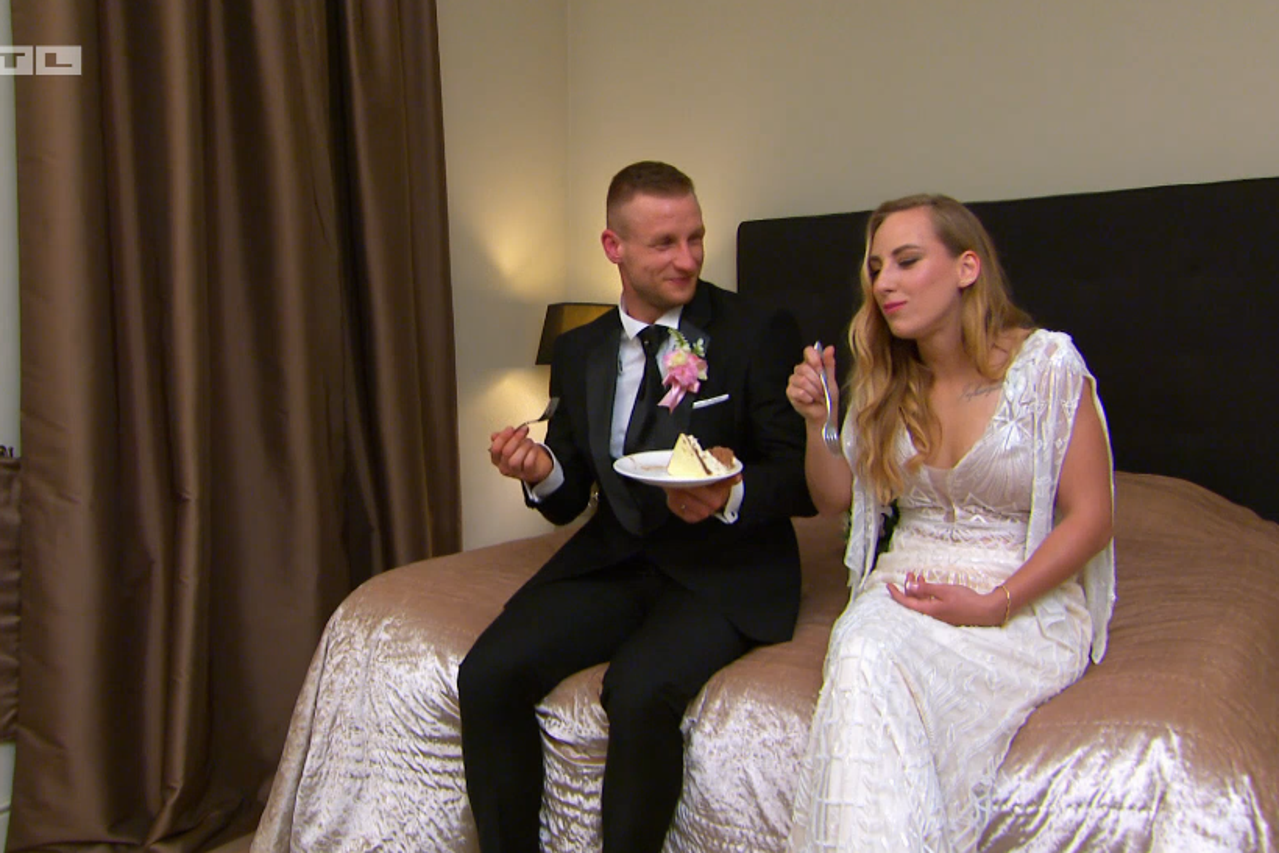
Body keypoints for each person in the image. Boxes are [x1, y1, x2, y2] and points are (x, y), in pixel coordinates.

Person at [459, 161, 815, 853]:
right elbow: (568, 498)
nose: (687, 259)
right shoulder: (579, 349)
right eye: (664, 243)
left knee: (639, 690)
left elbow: (798, 475)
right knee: (487, 674)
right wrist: (541, 470)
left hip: (725, 567)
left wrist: (729, 491)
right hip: (617, 555)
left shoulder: (754, 329)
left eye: (695, 238)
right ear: (612, 246)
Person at [783, 194, 1115, 852]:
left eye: (906, 261)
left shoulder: (1046, 367)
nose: (884, 283)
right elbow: (836, 498)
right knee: (863, 648)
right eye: (876, 268)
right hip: (902, 588)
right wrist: (821, 422)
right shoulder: (886, 380)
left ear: (967, 267)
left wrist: (996, 602)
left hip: (1020, 595)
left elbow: (1092, 516)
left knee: (868, 659)